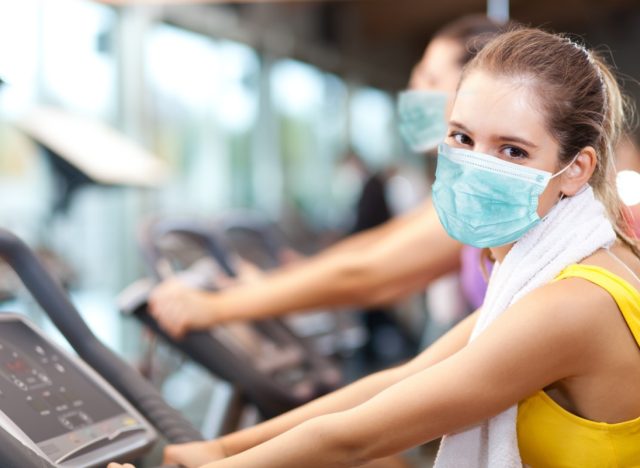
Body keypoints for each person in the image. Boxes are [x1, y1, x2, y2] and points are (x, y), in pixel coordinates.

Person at [108, 26, 640, 468]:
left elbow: (351, 437)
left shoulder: (570, 304)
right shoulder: (546, 268)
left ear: (576, 170)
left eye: (513, 150)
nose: (478, 164)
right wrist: (220, 448)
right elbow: (403, 380)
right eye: (461, 137)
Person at [147, 15, 505, 340]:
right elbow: (376, 245)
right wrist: (279, 281)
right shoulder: (462, 187)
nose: (414, 90)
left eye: (429, 78)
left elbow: (370, 274)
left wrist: (218, 307)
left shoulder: (489, 193)